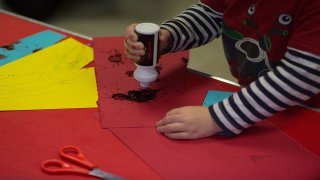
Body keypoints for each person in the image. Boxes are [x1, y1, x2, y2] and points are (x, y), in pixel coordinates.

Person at [124, 0, 320, 139]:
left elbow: (303, 73)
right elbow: (211, 15)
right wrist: (169, 36)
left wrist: (217, 118)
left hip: (310, 110)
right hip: (260, 96)